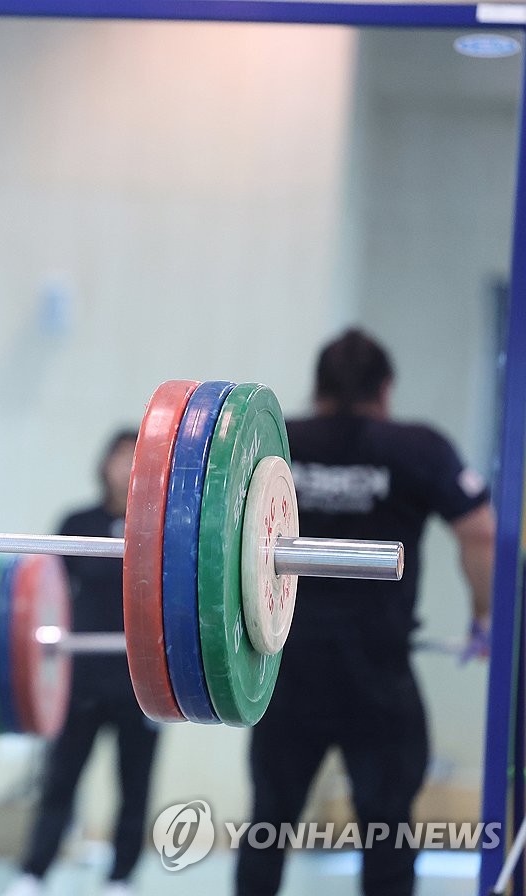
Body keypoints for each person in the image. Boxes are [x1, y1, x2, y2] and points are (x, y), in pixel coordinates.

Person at [235, 328, 495, 896]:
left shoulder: (277, 445)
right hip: (376, 676)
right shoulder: (417, 448)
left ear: (318, 386)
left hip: (285, 670)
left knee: (268, 828)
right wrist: (483, 620)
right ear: (386, 388)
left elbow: (217, 545)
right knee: (387, 833)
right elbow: (481, 533)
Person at [3, 430, 159, 896]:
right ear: (105, 464)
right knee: (61, 780)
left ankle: (121, 878)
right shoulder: (77, 521)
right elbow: (44, 596)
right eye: (121, 457)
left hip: (142, 682)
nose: (127, 467)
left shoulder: (163, 527)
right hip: (81, 678)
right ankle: (34, 872)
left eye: (138, 459)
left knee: (135, 785)